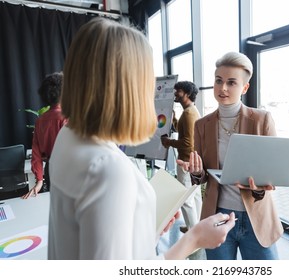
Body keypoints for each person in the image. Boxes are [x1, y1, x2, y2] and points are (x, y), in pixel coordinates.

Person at [47, 17, 235, 260]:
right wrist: (193, 239)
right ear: (130, 88)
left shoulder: (69, 137)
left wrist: (145, 229)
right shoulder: (108, 171)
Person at [177, 52, 283, 260]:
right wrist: (197, 172)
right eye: (219, 81)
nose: (223, 88)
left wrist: (261, 187)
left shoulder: (262, 120)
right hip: (217, 217)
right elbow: (203, 177)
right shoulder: (202, 125)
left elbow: (272, 173)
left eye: (231, 82)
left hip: (256, 217)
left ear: (245, 88)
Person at [161, 81, 202, 233]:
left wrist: (168, 142)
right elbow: (184, 132)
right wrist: (174, 119)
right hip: (192, 160)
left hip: (186, 161)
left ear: (187, 93)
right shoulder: (190, 111)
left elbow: (187, 143)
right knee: (195, 195)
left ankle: (194, 232)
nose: (175, 93)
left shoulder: (189, 114)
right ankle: (196, 226)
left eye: (178, 90)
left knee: (185, 198)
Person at [22, 72, 67, 199]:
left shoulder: (40, 121)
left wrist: (39, 180)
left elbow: (35, 153)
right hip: (68, 172)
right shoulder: (67, 119)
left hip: (50, 171)